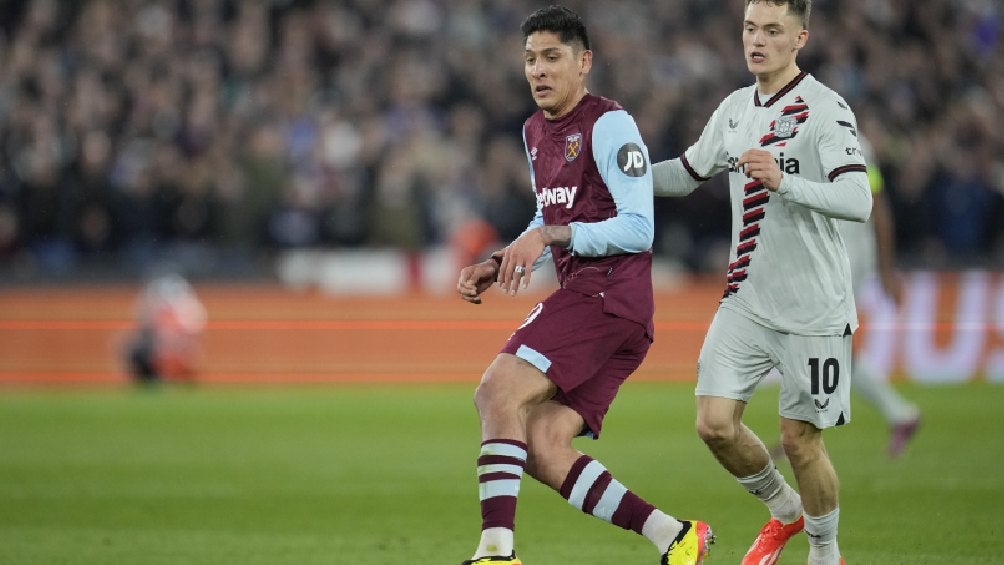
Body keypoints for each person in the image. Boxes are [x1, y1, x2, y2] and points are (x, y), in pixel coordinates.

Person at [456, 6, 713, 565]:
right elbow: (549, 215)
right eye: (530, 59)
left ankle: (496, 554)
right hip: (606, 305)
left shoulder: (609, 124)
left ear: (584, 62)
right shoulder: (533, 131)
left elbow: (639, 226)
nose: (539, 71)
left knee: (496, 393)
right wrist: (499, 259)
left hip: (608, 295)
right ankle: (676, 536)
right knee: (543, 448)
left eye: (552, 57)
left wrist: (548, 235)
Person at [651, 1, 869, 564]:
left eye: (773, 31)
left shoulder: (825, 109)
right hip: (746, 300)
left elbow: (857, 199)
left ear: (800, 38)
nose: (757, 40)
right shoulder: (732, 109)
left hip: (814, 309)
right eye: (751, 28)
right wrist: (619, 178)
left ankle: (825, 551)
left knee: (801, 440)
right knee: (714, 424)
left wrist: (785, 182)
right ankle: (785, 510)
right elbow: (688, 172)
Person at [836, 136, 921, 457]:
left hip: (844, 261)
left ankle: (802, 428)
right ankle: (900, 413)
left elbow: (877, 202)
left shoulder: (853, 142)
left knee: (821, 342)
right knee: (829, 346)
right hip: (829, 261)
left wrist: (887, 270)